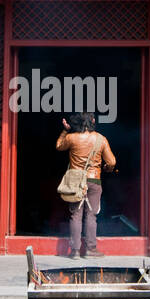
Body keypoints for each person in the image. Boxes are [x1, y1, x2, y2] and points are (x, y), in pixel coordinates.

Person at [55, 111, 116, 260]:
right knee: (91, 215)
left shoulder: (71, 138)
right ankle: (90, 250)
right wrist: (107, 169)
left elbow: (58, 146)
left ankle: (75, 252)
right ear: (93, 121)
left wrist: (65, 130)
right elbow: (112, 162)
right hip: (94, 181)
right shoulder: (101, 139)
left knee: (75, 215)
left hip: (76, 181)